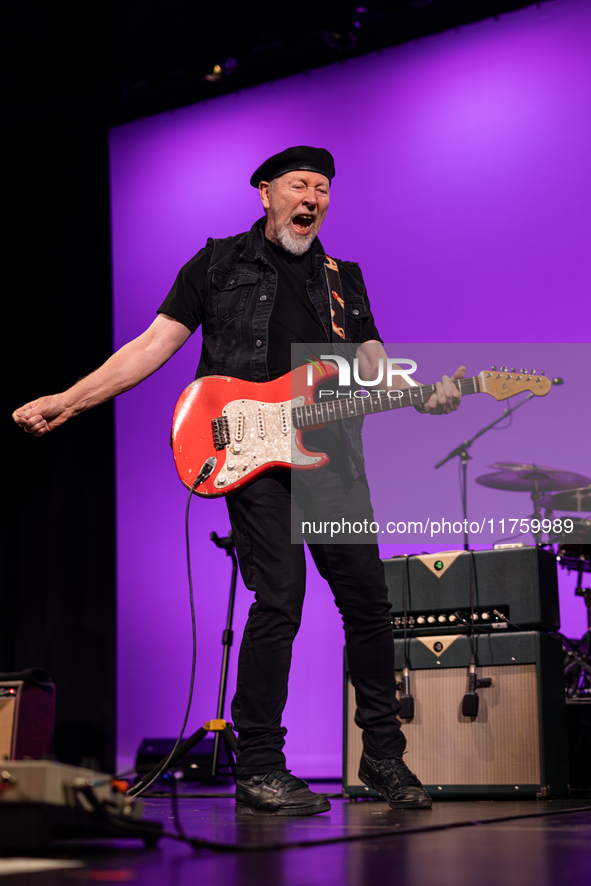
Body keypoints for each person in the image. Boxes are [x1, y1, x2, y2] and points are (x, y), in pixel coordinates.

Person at [13, 146, 464, 817]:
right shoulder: (217, 263)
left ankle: (383, 755)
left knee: (368, 603)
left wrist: (415, 391)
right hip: (249, 450)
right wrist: (70, 400)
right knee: (279, 598)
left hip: (330, 457)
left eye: (322, 188)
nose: (311, 198)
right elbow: (151, 344)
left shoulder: (344, 278)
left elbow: (371, 357)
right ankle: (259, 766)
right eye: (297, 185)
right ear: (265, 194)